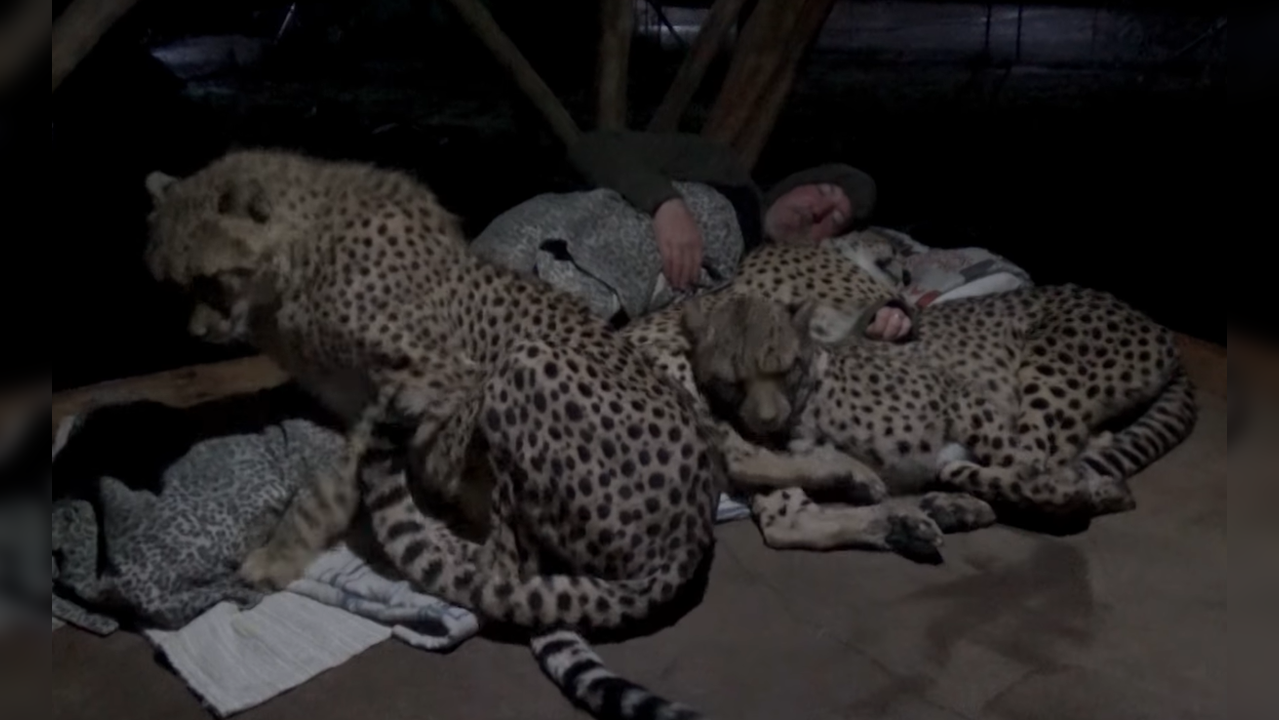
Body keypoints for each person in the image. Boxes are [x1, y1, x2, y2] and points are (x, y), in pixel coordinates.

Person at [471, 129, 912, 339]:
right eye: (824, 192)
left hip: (576, 325)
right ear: (801, 181)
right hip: (552, 244)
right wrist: (665, 203)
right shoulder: (720, 169)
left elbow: (838, 288)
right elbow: (594, 147)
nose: (817, 212)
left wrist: (876, 314)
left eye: (832, 221)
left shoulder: (768, 272)